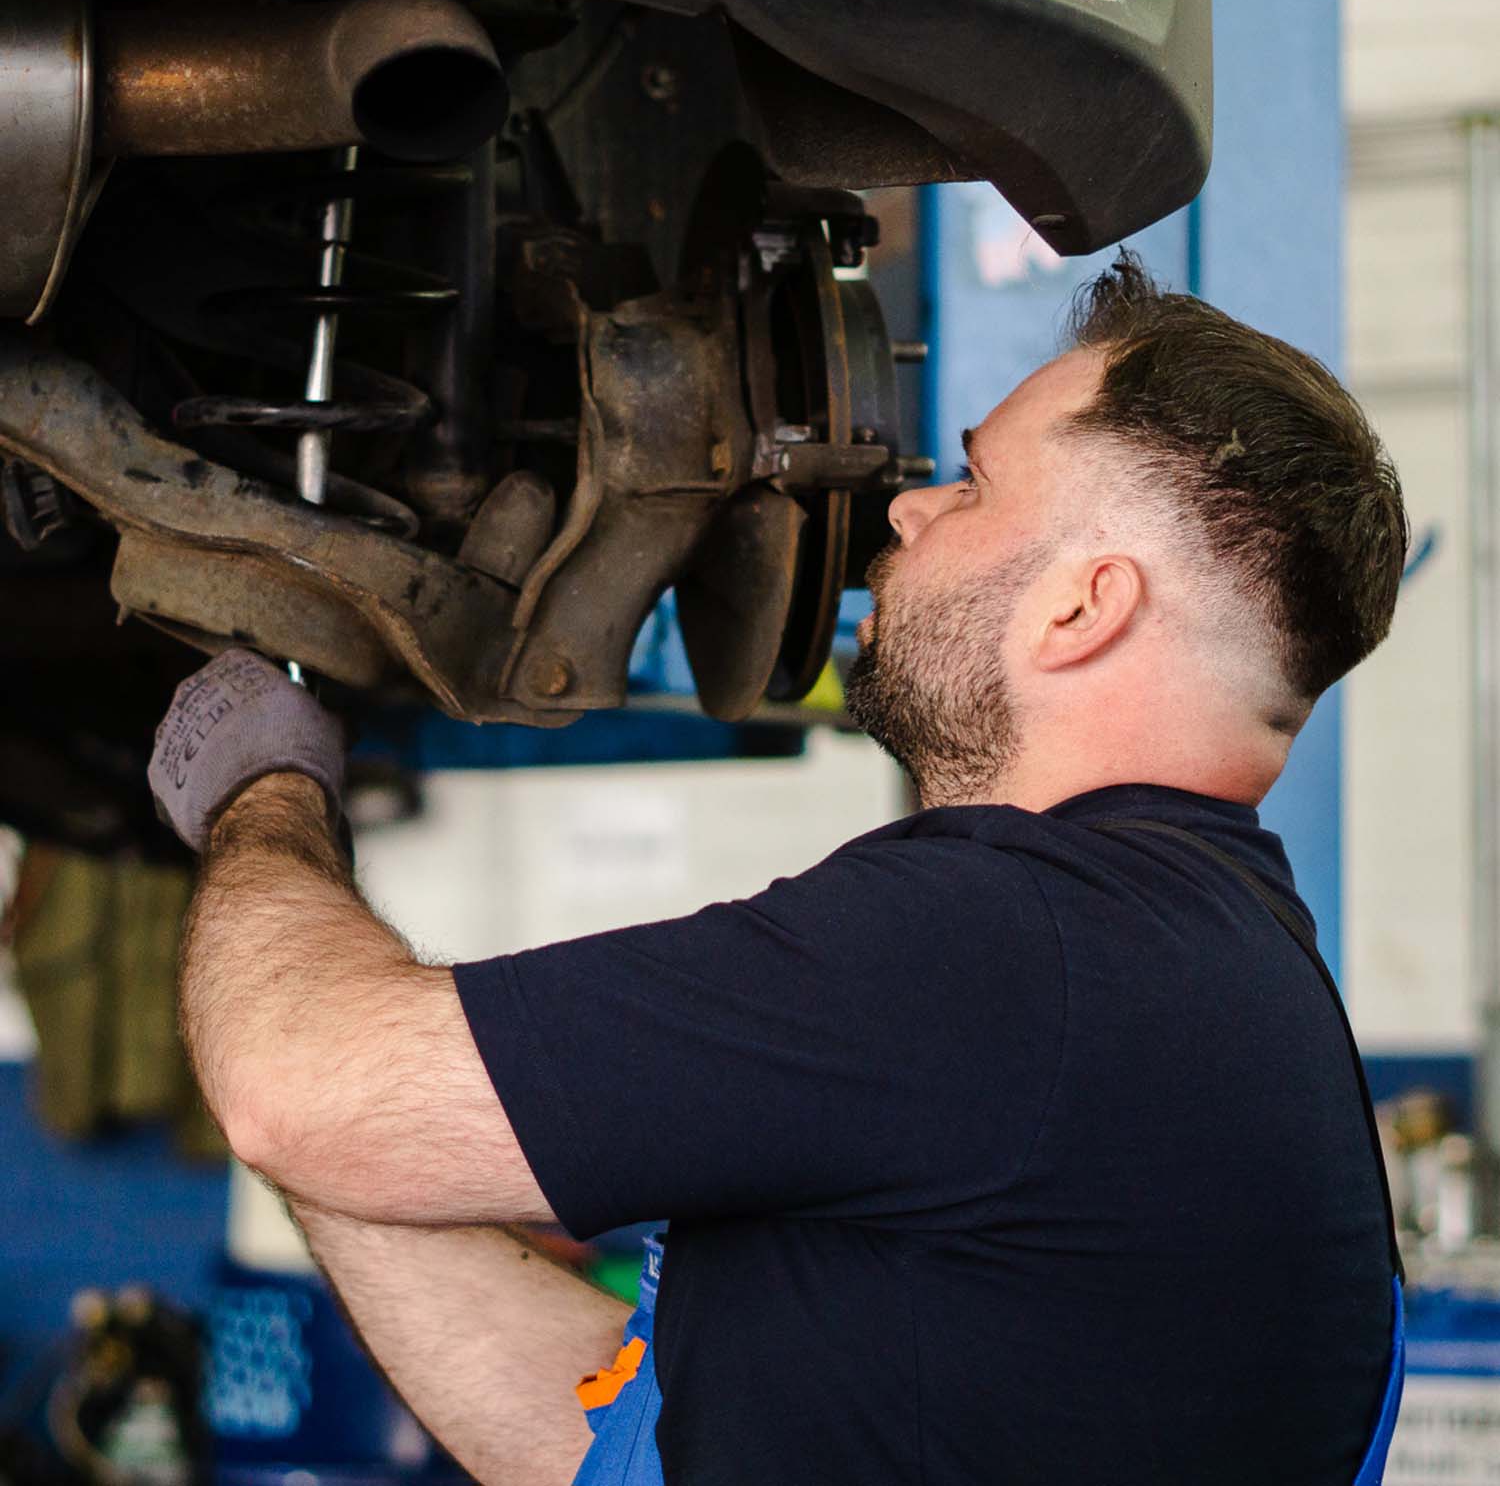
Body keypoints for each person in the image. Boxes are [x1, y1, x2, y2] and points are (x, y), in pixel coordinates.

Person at [149, 253, 1410, 1486]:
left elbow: (293, 1090)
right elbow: (625, 1442)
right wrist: (337, 1137)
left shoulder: (1011, 946)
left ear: (1082, 608)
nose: (910, 509)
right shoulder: (1224, 982)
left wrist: (267, 801)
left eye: (973, 486)